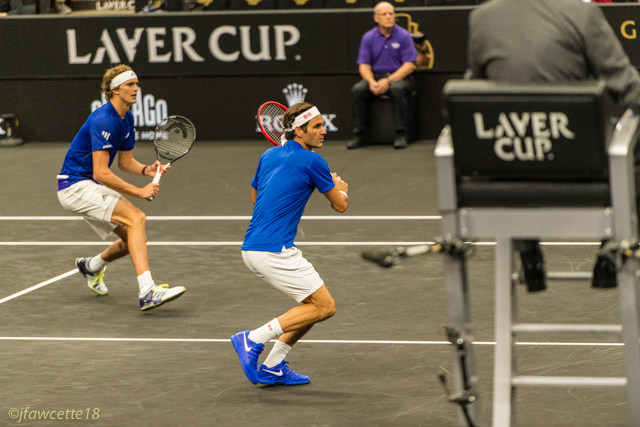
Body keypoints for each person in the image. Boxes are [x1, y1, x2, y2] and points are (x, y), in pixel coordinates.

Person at [467, 0, 640, 289]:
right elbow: (626, 85)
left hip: (509, 175)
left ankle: (528, 253)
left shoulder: (482, 17)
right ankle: (611, 250)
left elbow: (475, 92)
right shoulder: (582, 14)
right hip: (582, 173)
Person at [231, 102, 349, 386]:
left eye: (323, 125)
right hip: (273, 251)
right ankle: (253, 339)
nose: (324, 131)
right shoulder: (313, 162)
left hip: (253, 248)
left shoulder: (268, 155)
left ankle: (273, 366)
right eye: (317, 126)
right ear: (299, 131)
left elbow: (255, 199)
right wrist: (342, 189)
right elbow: (340, 206)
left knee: (312, 305)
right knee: (325, 307)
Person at [56, 64, 186, 311]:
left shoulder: (127, 118)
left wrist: (147, 170)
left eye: (136, 84)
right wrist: (139, 192)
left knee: (133, 239)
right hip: (74, 186)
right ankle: (147, 291)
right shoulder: (103, 119)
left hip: (86, 184)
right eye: (130, 84)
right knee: (137, 218)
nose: (136, 88)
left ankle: (91, 266)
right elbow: (101, 172)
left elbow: (125, 163)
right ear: (115, 90)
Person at [348, 1, 417, 150]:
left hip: (400, 77)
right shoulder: (368, 37)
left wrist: (389, 80)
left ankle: (400, 134)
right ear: (376, 18)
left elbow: (409, 65)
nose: (388, 17)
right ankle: (360, 135)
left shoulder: (404, 35)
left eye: (391, 13)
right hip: (376, 76)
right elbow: (364, 65)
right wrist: (371, 81)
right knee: (358, 90)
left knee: (397, 89)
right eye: (384, 14)